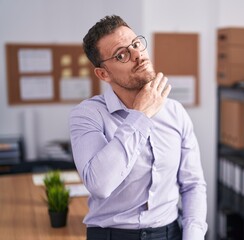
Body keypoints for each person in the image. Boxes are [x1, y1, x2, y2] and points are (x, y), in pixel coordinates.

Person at [69, 15, 208, 240]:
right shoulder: (87, 115)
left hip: (169, 233)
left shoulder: (175, 112)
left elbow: (193, 185)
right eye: (122, 54)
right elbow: (100, 185)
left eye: (136, 44)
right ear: (103, 73)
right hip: (111, 235)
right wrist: (140, 115)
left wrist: (194, 236)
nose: (137, 55)